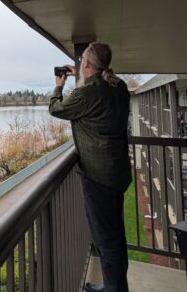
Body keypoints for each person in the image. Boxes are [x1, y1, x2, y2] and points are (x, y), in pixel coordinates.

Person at [49, 42, 131, 292]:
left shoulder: (89, 92)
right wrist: (83, 75)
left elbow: (56, 108)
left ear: (86, 63)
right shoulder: (119, 86)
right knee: (115, 235)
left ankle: (114, 290)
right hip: (117, 172)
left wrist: (59, 85)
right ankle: (114, 286)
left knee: (106, 240)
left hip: (99, 176)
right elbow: (97, 96)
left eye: (82, 59)